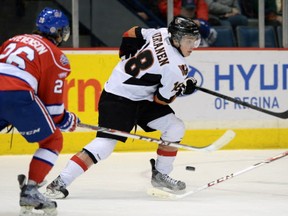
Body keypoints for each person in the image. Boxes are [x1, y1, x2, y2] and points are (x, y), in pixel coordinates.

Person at [44, 16, 200, 199]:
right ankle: (60, 182)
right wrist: (181, 88)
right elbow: (161, 100)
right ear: (176, 38)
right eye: (188, 41)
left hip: (135, 95)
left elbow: (131, 32)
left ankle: (160, 175)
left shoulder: (161, 33)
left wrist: (125, 55)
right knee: (105, 145)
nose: (192, 46)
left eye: (195, 41)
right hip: (118, 98)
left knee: (175, 127)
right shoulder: (177, 67)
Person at [0, 7, 79, 215]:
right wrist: (67, 119)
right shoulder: (57, 57)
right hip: (17, 95)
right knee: (53, 140)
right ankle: (31, 190)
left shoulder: (13, 39)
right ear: (60, 32)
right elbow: (53, 110)